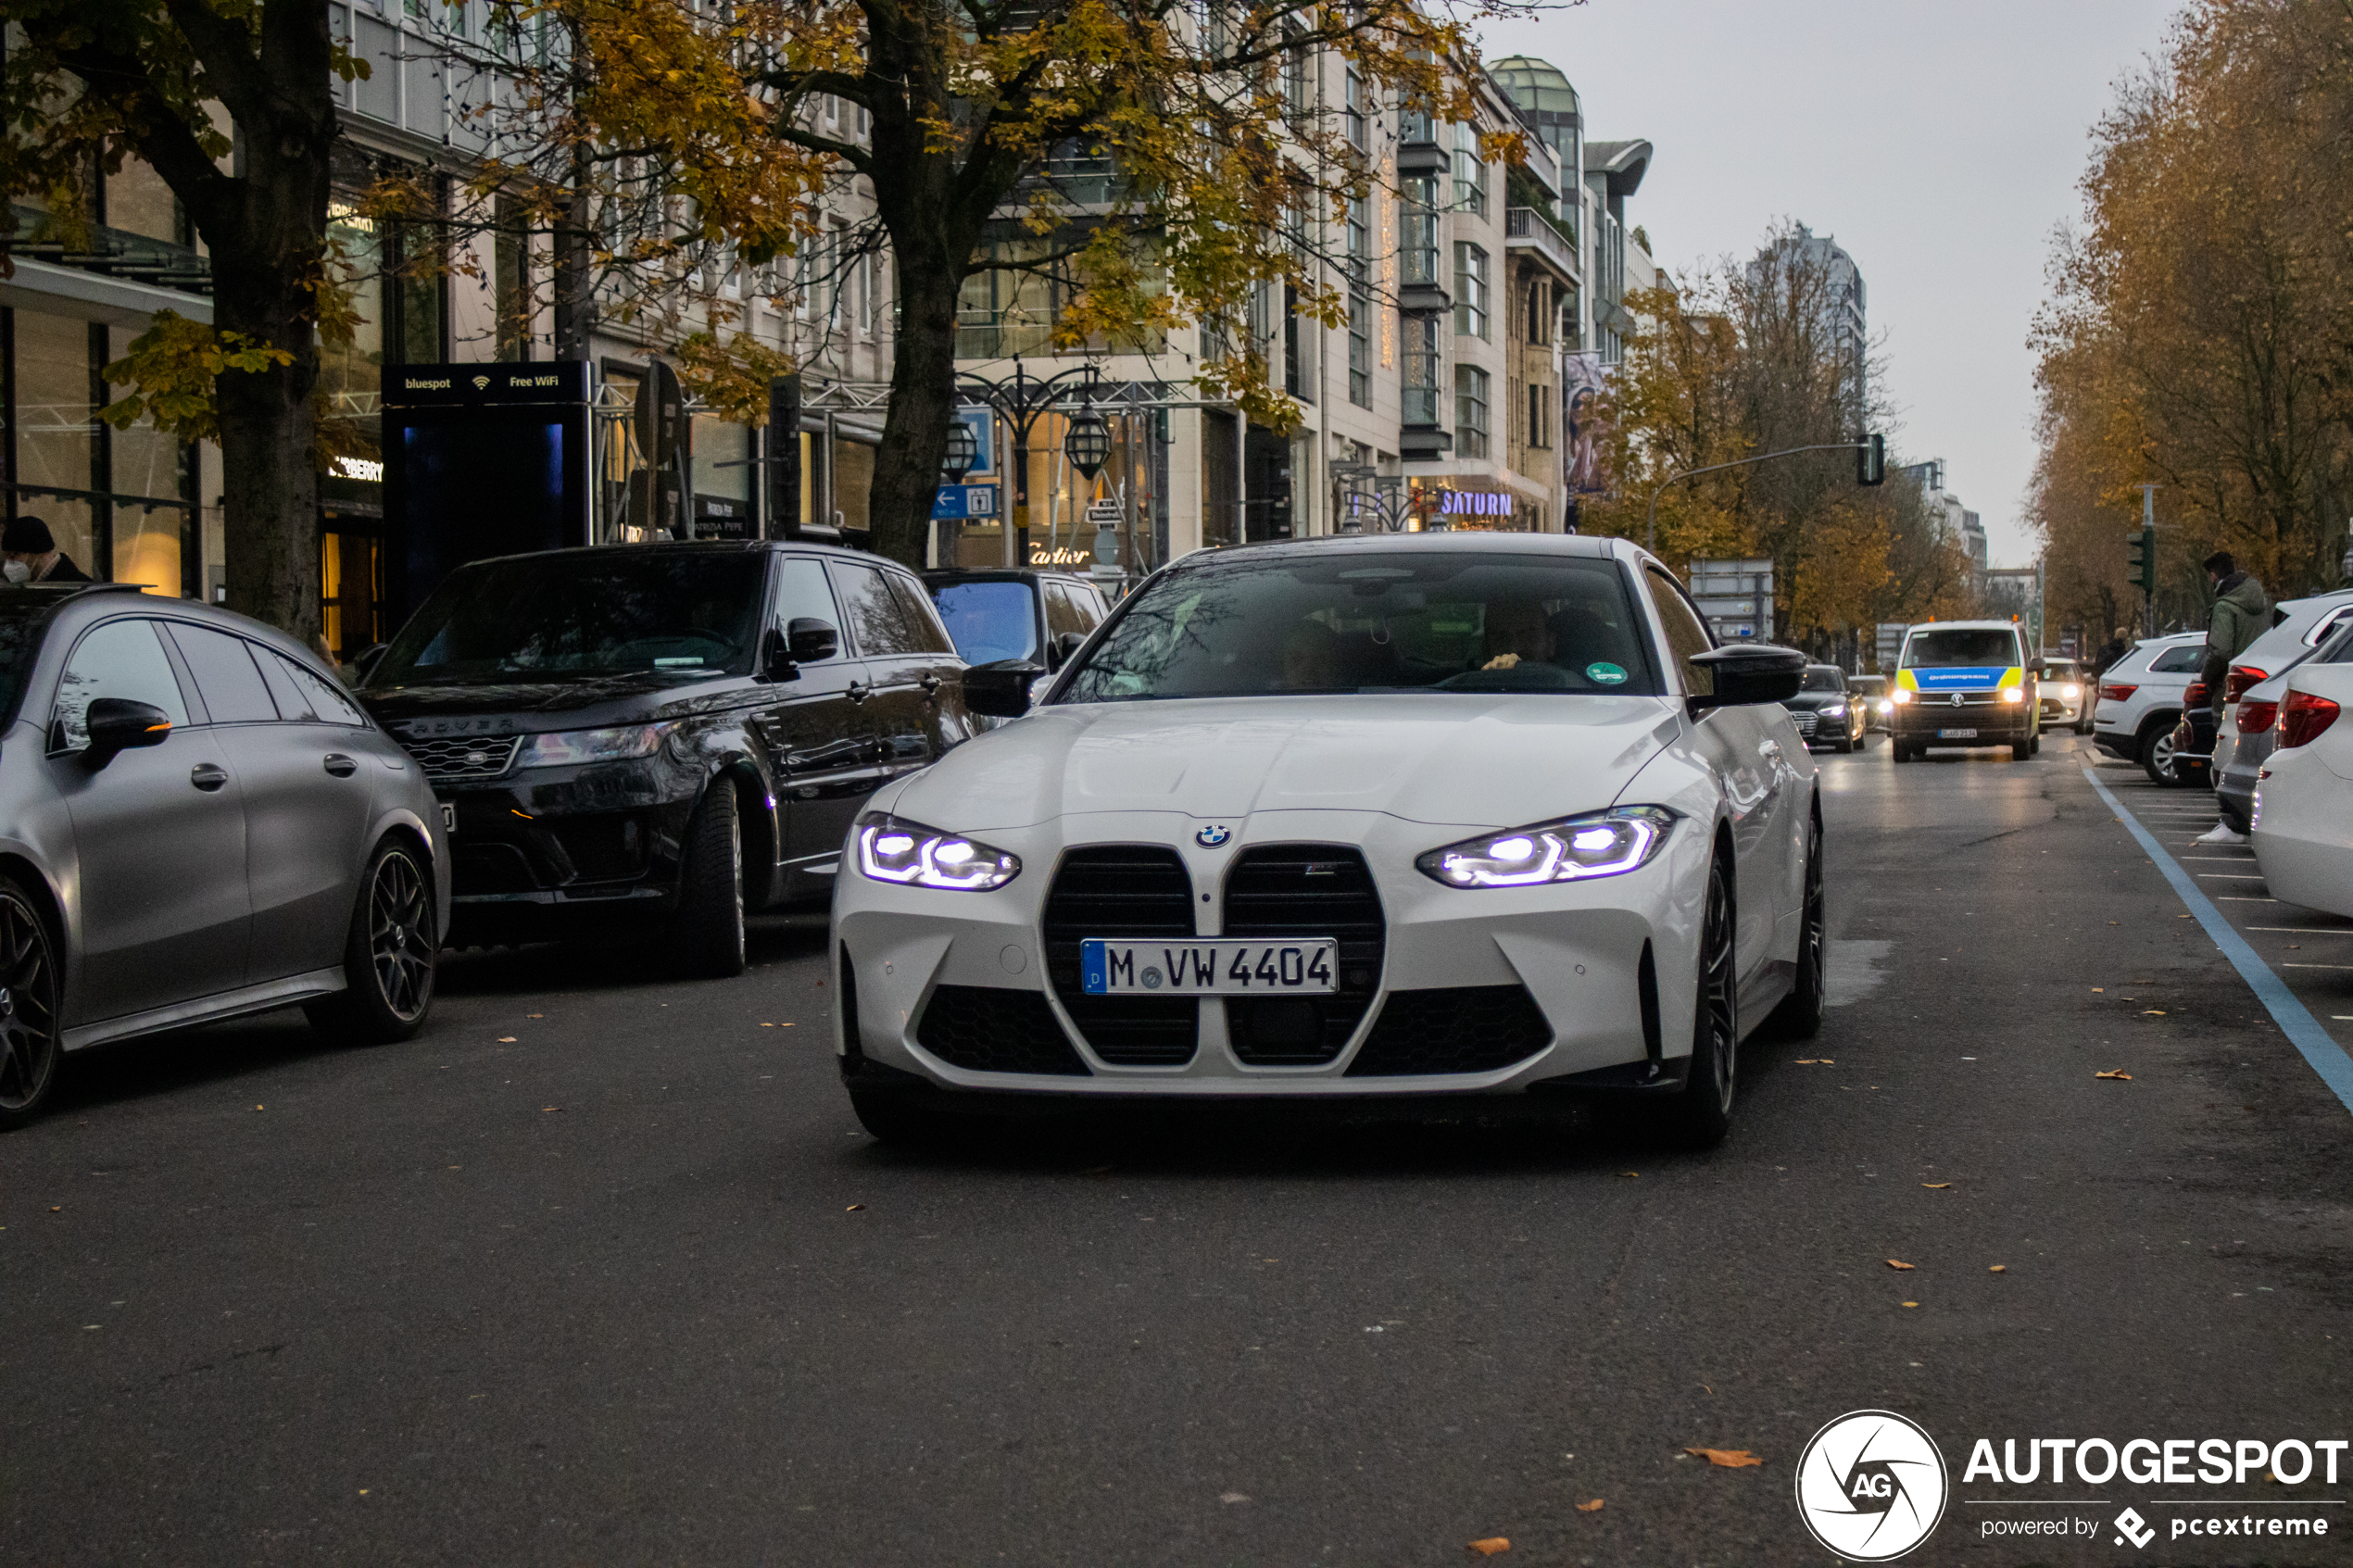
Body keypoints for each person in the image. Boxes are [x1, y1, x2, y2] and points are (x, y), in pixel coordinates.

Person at [2195, 550, 2269, 846]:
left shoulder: (2225, 607)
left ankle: (2230, 821)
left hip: (2232, 688)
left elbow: (2221, 651)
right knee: (2251, 757)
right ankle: (2247, 820)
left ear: (2215, 576)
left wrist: (2205, 676)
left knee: (2224, 755)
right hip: (2261, 687)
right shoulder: (2262, 603)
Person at [2, 517, 91, 584]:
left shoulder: (75, 587)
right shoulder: (32, 586)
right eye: (6, 556)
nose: (10, 563)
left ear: (39, 552)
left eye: (15, 555)